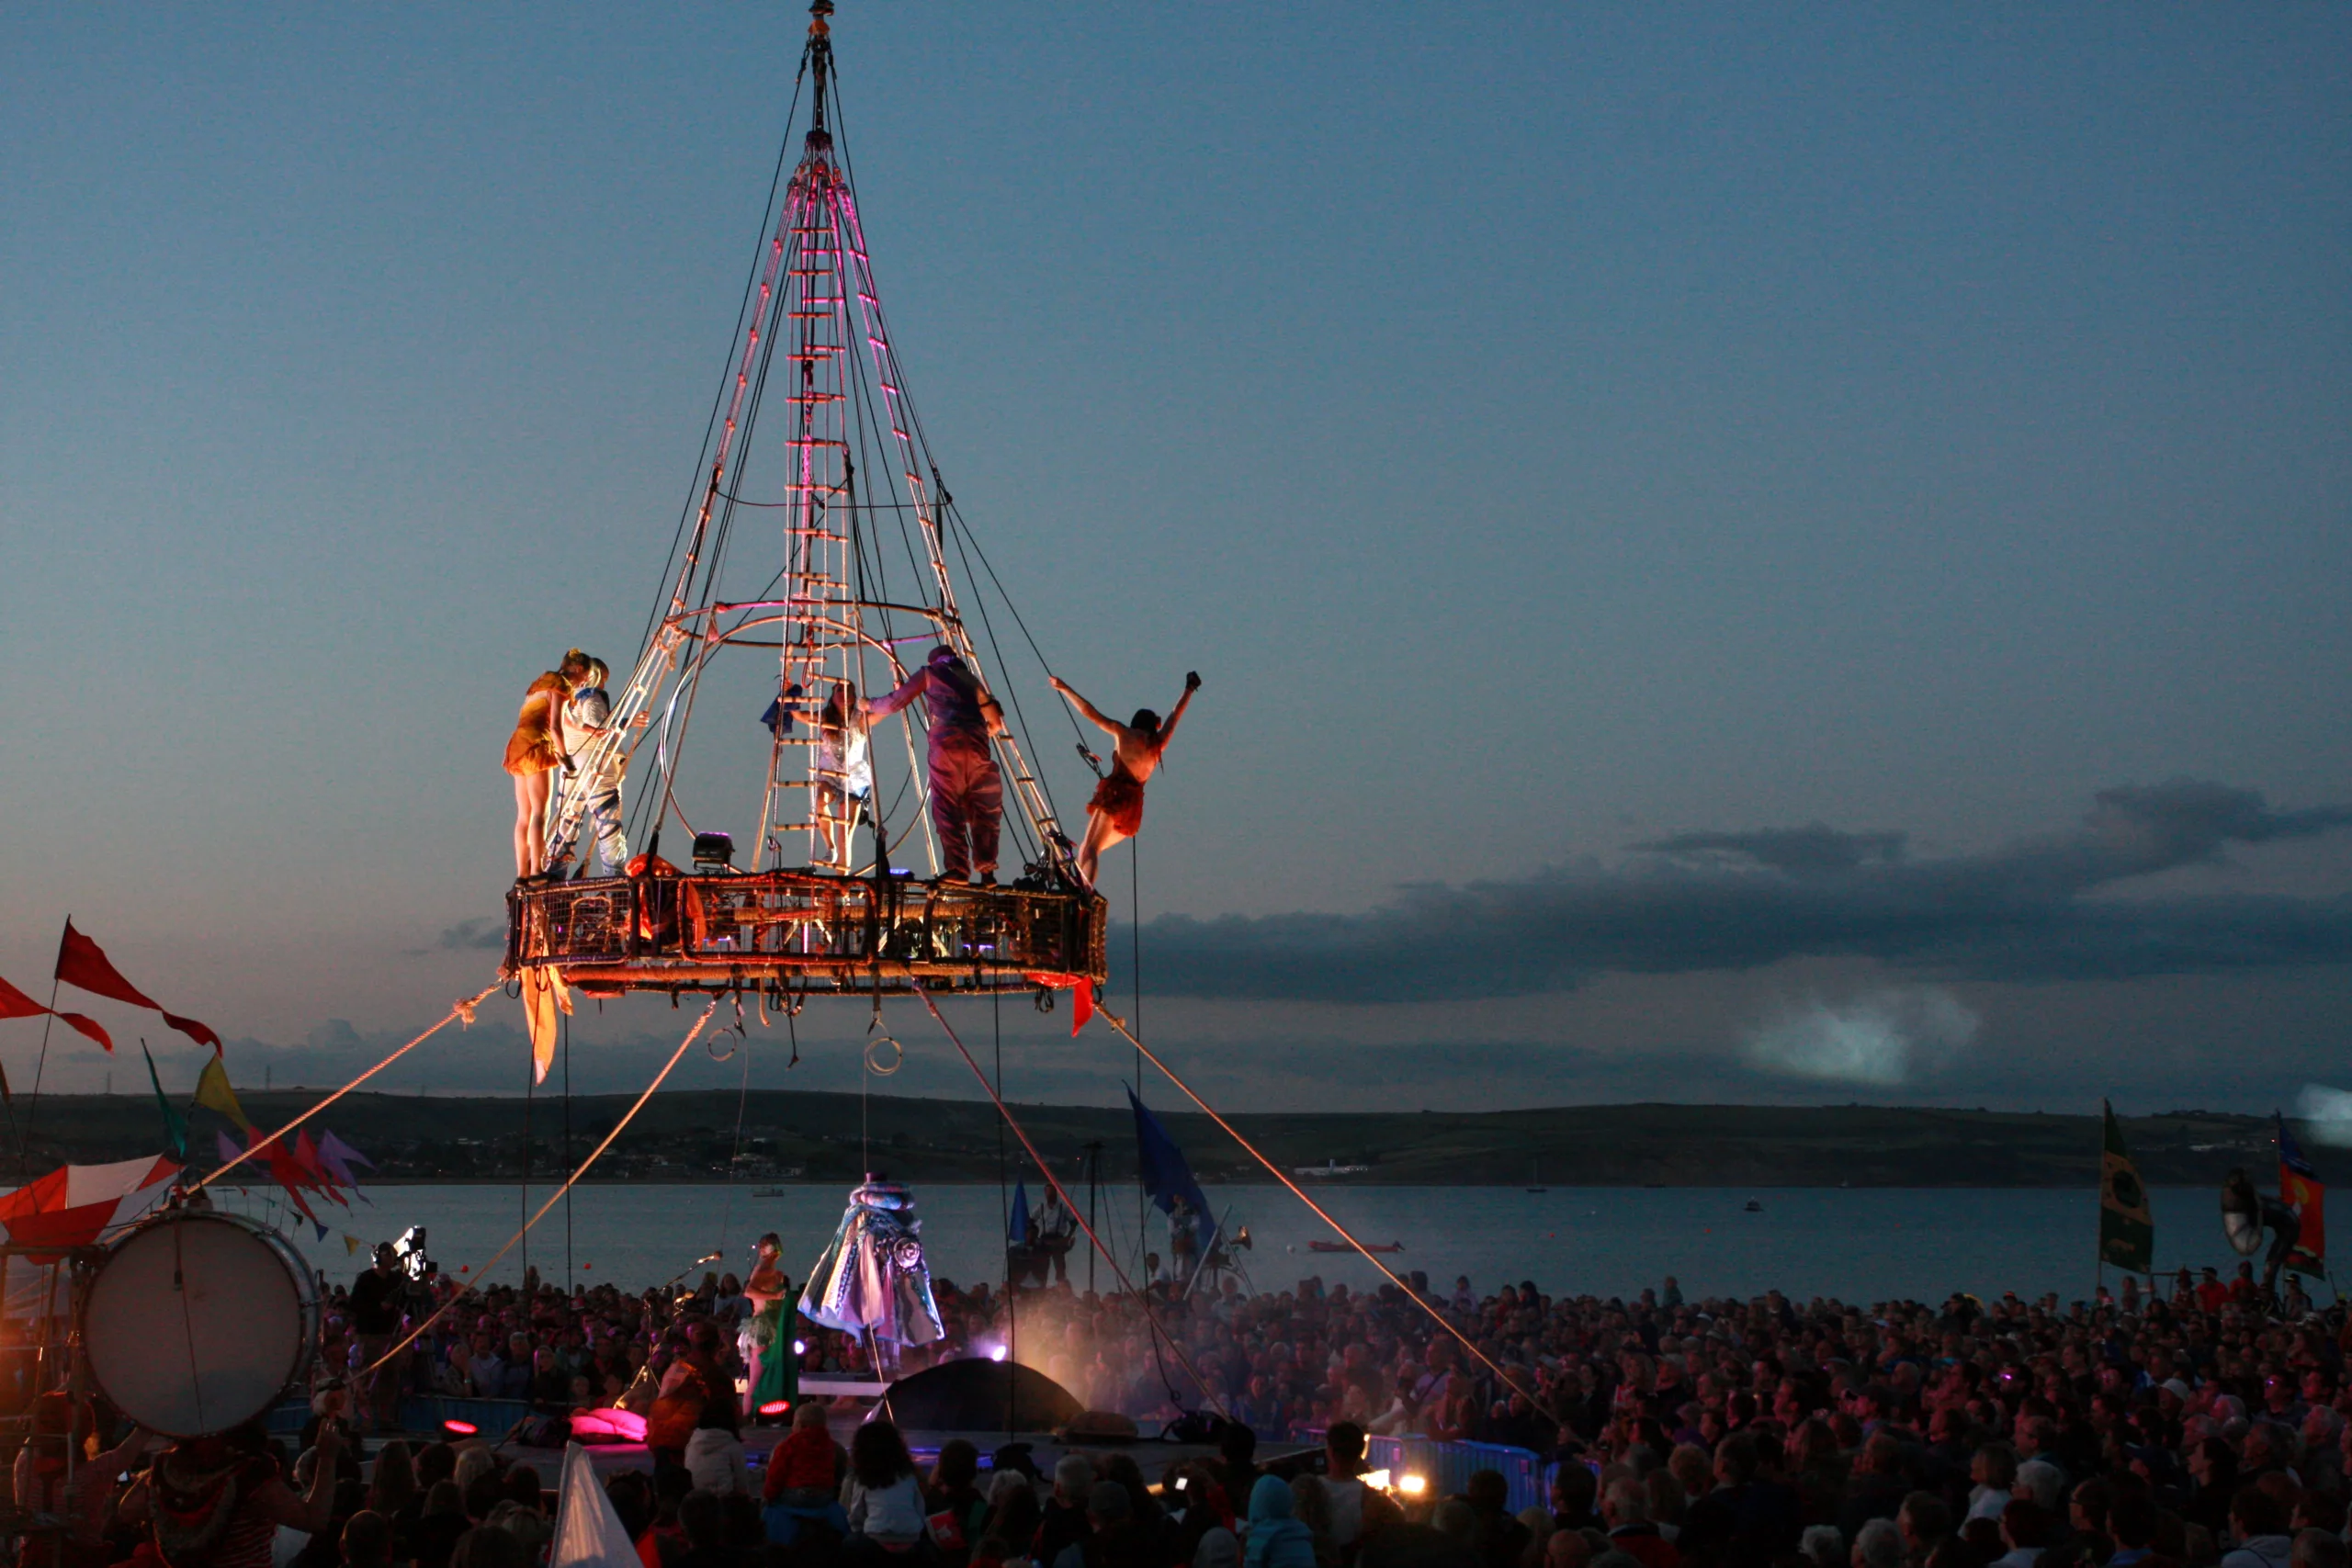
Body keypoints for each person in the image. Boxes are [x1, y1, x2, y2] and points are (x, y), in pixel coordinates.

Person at [119, 1419, 345, 1568]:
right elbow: (314, 1519)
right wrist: (327, 1458)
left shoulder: (166, 1468)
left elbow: (127, 1510)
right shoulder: (250, 1474)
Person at [866, 647, 1007, 884]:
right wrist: (978, 735)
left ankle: (958, 870)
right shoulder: (972, 680)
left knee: (947, 806)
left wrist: (867, 704)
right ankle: (987, 871)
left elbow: (894, 702)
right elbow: (996, 723)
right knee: (984, 808)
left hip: (947, 746)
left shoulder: (930, 673)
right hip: (977, 748)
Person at [1047, 670, 1199, 886]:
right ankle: (1081, 887)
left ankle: (1085, 894)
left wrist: (1065, 689)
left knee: (1090, 847)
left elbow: (1089, 712)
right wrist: (1189, 690)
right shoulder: (1159, 744)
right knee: (1090, 848)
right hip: (1133, 805)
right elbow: (1175, 716)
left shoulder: (1124, 733)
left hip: (1115, 796)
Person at [505, 650, 592, 879]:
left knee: (524, 814)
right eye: (585, 675)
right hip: (537, 745)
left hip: (518, 745)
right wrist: (566, 759)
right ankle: (536, 871)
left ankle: (522, 873)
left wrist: (590, 730)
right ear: (577, 669)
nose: (584, 681)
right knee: (540, 812)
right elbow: (555, 727)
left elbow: (568, 720)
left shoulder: (540, 683)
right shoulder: (562, 685)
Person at [559, 658, 629, 877]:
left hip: (570, 765)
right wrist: (628, 721)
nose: (604, 686)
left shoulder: (563, 701)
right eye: (604, 680)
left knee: (567, 821)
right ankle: (614, 877)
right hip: (595, 762)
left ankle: (555, 872)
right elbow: (597, 723)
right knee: (608, 823)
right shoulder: (593, 696)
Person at [813, 681, 875, 870]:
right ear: (833, 695)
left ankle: (843, 887)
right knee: (820, 800)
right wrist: (788, 693)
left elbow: (883, 713)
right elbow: (801, 715)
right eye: (839, 690)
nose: (844, 694)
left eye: (849, 691)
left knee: (845, 835)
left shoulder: (860, 718)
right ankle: (830, 847)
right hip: (830, 773)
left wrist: (872, 704)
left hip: (854, 779)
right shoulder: (824, 717)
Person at [845, 1420, 927, 1558]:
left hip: (875, 1537)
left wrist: (858, 1531)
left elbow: (856, 1515)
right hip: (910, 1538)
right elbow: (920, 1509)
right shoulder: (908, 1476)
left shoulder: (863, 1480)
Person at [348, 1243, 407, 1433]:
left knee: (391, 1375)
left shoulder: (396, 1279)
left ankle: (385, 1417)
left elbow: (406, 1300)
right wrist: (379, 1308)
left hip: (391, 1333)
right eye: (387, 1255)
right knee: (369, 1375)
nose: (390, 1259)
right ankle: (365, 1418)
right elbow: (355, 1306)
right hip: (370, 1334)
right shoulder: (366, 1279)